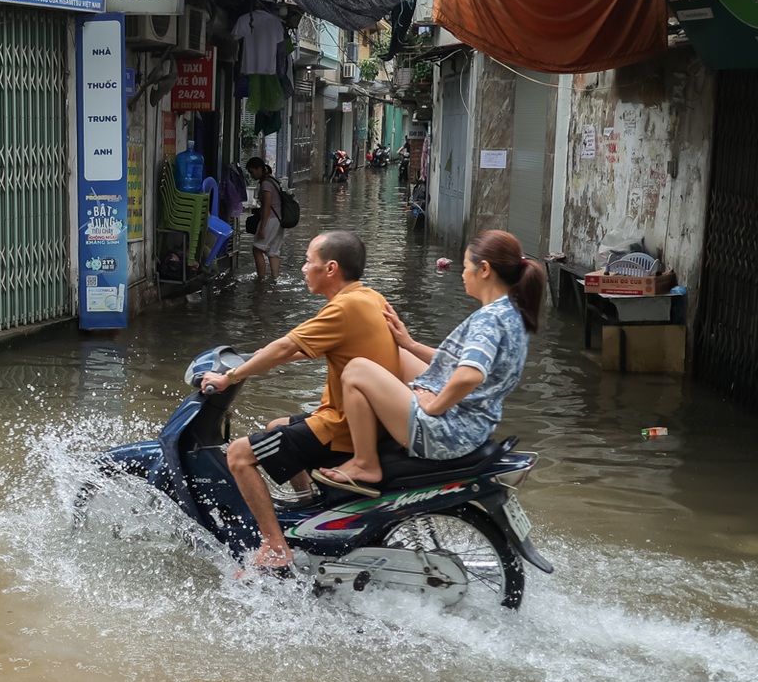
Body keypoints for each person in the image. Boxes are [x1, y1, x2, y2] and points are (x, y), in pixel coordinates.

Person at [200, 231, 402, 569]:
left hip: (341, 427)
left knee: (239, 455)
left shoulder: (343, 308)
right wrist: (260, 357)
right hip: (364, 421)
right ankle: (310, 508)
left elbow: (285, 346)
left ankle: (275, 546)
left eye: (310, 262)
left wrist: (229, 377)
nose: (304, 268)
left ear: (331, 268)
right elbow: (303, 348)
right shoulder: (369, 298)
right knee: (275, 425)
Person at [315, 229, 545, 493]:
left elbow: (470, 375)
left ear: (484, 269)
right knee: (399, 354)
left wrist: (434, 405)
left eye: (465, 266)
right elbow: (460, 363)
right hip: (474, 426)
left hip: (450, 433)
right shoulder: (510, 311)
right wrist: (409, 344)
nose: (462, 273)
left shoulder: (489, 319)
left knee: (356, 369)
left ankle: (365, 462)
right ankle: (377, 420)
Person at [245, 157, 283, 281]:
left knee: (257, 249)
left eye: (252, 172)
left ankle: (260, 279)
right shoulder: (273, 179)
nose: (251, 175)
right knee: (273, 252)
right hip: (279, 220)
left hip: (270, 219)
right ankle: (275, 279)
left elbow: (267, 205)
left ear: (259, 169)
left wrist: (262, 227)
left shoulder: (266, 184)